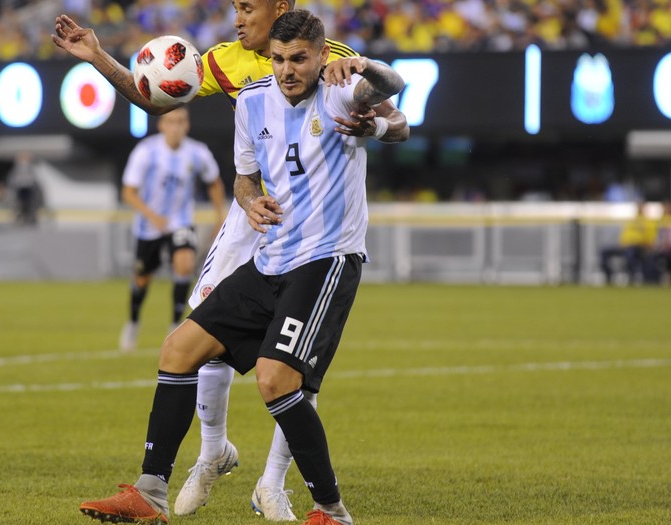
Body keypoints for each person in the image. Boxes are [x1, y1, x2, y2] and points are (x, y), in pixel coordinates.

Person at [53, 1, 410, 520]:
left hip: (325, 255)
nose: (287, 67)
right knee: (179, 348)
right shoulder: (248, 94)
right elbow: (225, 160)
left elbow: (394, 105)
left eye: (248, 7)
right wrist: (99, 58)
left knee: (278, 377)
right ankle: (155, 488)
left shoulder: (337, 77)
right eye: (281, 59)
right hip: (269, 245)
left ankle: (320, 505)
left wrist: (364, 91)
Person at [119, 107, 226, 352]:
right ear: (161, 125)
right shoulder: (146, 151)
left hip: (180, 220)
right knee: (142, 279)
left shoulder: (197, 153)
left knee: (185, 264)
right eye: (171, 122)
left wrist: (220, 216)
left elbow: (215, 183)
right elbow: (128, 192)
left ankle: (174, 327)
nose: (175, 127)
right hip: (149, 226)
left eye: (180, 122)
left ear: (186, 125)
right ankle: (133, 322)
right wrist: (151, 215)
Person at [599, 200, 658, 285]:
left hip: (638, 248)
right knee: (604, 251)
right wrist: (625, 243)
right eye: (638, 206)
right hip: (625, 246)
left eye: (642, 206)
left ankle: (632, 278)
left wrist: (637, 242)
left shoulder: (649, 222)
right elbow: (623, 236)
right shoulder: (632, 220)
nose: (639, 208)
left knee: (631, 252)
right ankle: (609, 277)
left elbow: (650, 241)